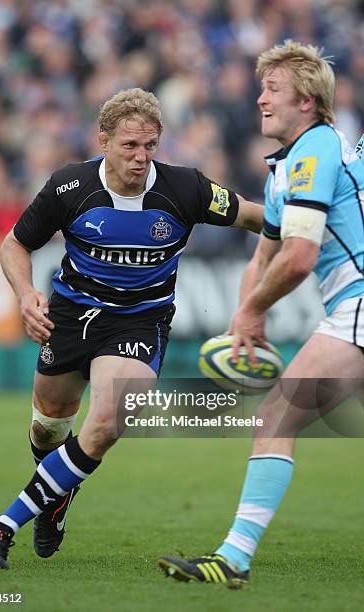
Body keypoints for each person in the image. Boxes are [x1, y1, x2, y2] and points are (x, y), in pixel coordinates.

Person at [0, 87, 263, 570]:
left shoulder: (186, 188)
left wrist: (310, 224)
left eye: (150, 146)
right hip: (70, 317)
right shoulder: (69, 187)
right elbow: (14, 245)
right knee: (47, 431)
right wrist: (24, 295)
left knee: (103, 425)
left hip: (140, 323)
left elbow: (253, 216)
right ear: (102, 141)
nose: (141, 158)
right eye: (129, 146)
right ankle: (56, 496)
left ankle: (0, 528)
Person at [158, 40, 364, 588]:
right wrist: (241, 320)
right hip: (353, 305)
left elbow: (300, 258)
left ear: (308, 101)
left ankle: (233, 557)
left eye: (273, 89)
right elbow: (266, 255)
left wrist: (252, 310)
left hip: (360, 302)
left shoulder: (316, 149)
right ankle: (234, 557)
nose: (260, 99)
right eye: (261, 88)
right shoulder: (286, 169)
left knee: (277, 415)